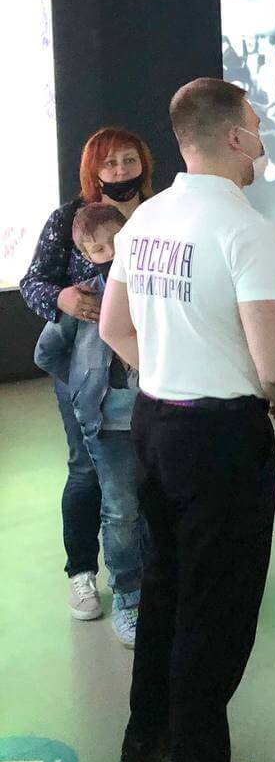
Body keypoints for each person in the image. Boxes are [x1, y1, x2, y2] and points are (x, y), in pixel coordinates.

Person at [100, 78, 275, 762]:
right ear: (234, 136)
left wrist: (167, 370)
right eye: (255, 124)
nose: (261, 137)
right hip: (221, 440)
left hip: (156, 423)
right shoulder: (247, 230)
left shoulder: (146, 219)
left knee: (166, 585)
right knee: (216, 609)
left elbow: (114, 328)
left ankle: (148, 732)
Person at [20, 126, 153, 622]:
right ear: (93, 170)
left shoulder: (161, 211)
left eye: (129, 160)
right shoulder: (71, 219)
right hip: (87, 375)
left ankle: (147, 576)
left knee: (147, 481)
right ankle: (82, 571)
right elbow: (33, 281)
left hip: (154, 377)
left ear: (144, 163)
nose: (120, 171)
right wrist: (63, 298)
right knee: (86, 471)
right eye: (109, 163)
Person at [33, 204, 144, 647]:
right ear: (85, 255)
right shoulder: (86, 300)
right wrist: (82, 384)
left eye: (115, 242)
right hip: (109, 425)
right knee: (120, 510)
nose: (108, 253)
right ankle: (128, 595)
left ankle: (156, 582)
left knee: (154, 505)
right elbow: (47, 352)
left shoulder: (153, 289)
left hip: (158, 419)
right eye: (97, 249)